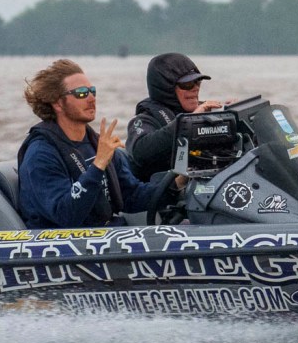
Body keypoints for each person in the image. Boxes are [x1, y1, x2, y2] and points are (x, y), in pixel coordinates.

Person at [17, 58, 183, 229]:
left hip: (109, 232)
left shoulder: (96, 144)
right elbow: (65, 215)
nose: (91, 98)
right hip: (64, 241)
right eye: (81, 93)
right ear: (58, 103)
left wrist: (178, 183)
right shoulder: (41, 154)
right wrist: (98, 166)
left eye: (92, 91)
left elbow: (132, 196)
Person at [125, 52, 235, 181]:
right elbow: (140, 152)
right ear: (166, 88)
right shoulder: (145, 119)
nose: (195, 88)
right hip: (163, 190)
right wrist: (187, 123)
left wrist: (230, 116)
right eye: (187, 84)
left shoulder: (205, 110)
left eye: (198, 82)